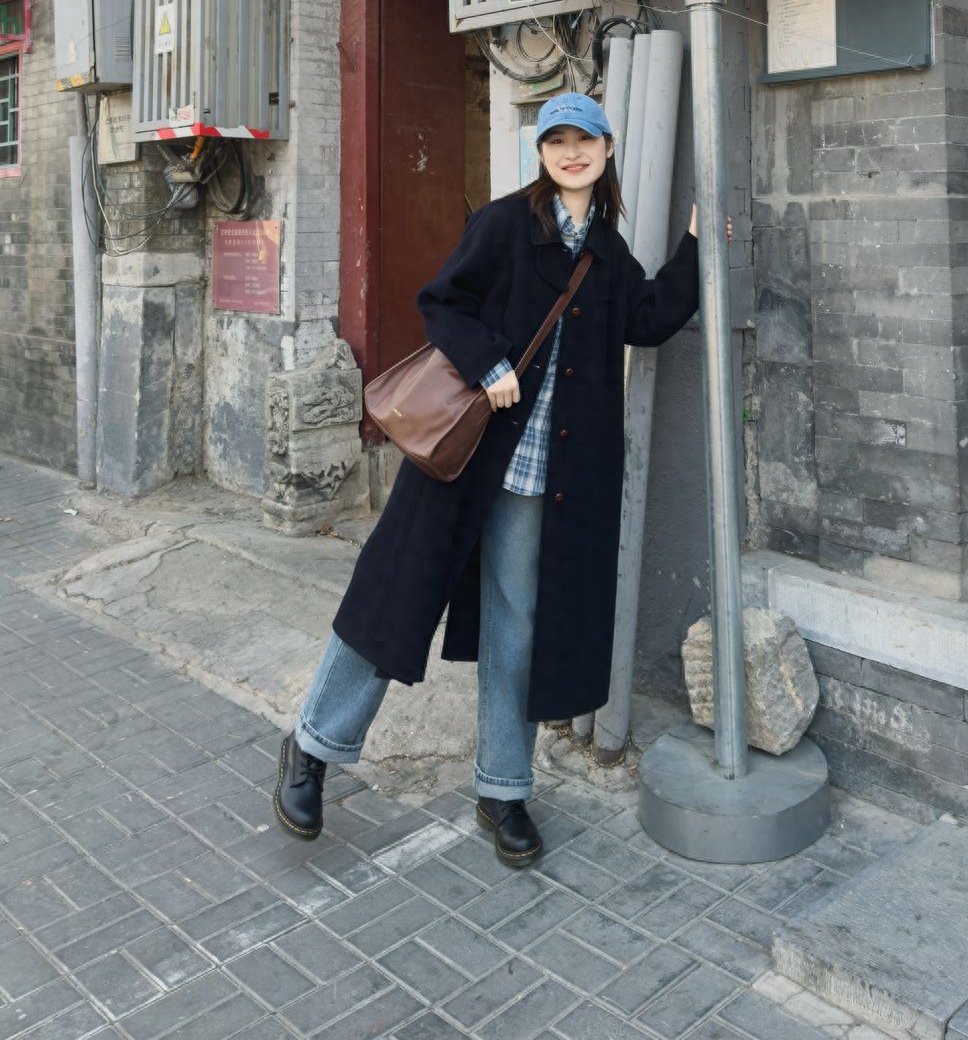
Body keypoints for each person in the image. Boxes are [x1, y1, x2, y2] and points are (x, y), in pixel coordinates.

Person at [273, 91, 700, 866]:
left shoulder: (608, 252)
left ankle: (504, 787)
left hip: (550, 478)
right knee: (394, 596)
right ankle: (313, 745)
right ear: (541, 152)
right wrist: (489, 361)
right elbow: (442, 304)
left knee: (519, 625)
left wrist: (697, 249)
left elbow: (646, 316)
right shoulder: (506, 223)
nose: (572, 152)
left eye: (586, 140)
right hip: (464, 457)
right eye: (557, 140)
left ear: (606, 151)